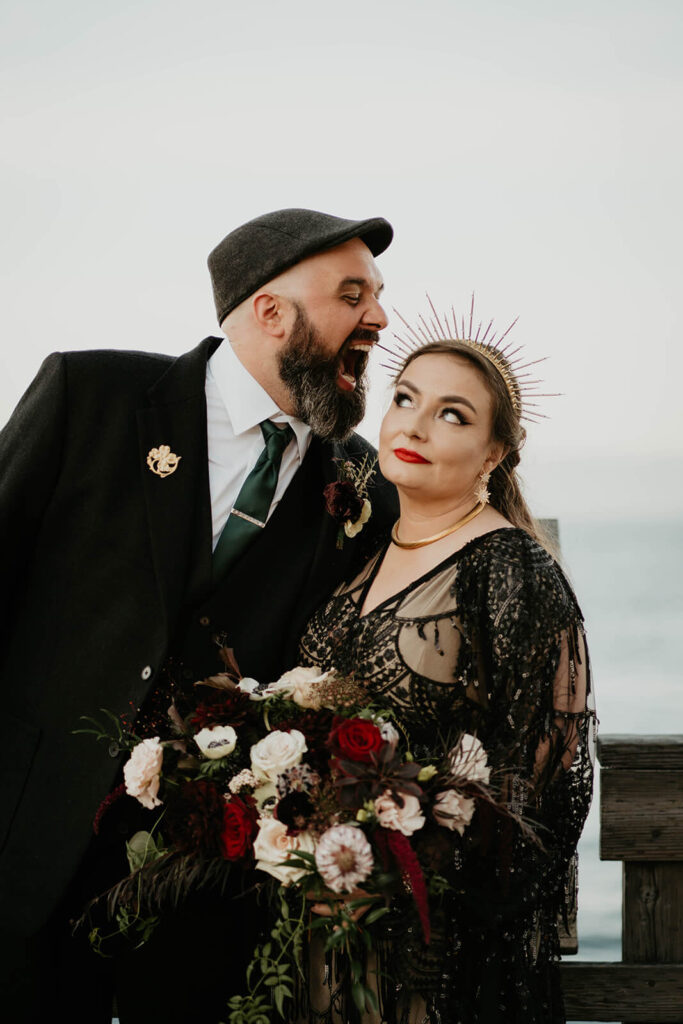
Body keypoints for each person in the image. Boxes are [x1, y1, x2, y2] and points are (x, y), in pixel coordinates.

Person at [0, 208, 399, 1023]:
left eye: (378, 296)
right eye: (352, 294)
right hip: (26, 834)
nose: (380, 318)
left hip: (202, 880)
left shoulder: (360, 482)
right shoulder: (93, 394)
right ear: (269, 311)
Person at [298, 306, 596, 1022]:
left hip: (439, 957)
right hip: (327, 936)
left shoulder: (509, 568)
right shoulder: (363, 556)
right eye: (404, 398)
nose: (413, 426)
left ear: (493, 453)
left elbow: (550, 786)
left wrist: (429, 891)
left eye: (452, 415)